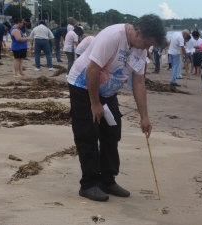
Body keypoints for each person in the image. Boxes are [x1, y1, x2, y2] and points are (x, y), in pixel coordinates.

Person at [66, 14, 166, 202]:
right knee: (88, 133)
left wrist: (144, 116)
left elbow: (138, 82)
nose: (145, 49)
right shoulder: (113, 36)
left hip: (108, 91)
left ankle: (107, 180)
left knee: (112, 133)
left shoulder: (141, 48)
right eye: (145, 44)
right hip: (83, 86)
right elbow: (92, 70)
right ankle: (89, 184)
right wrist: (94, 104)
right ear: (138, 32)